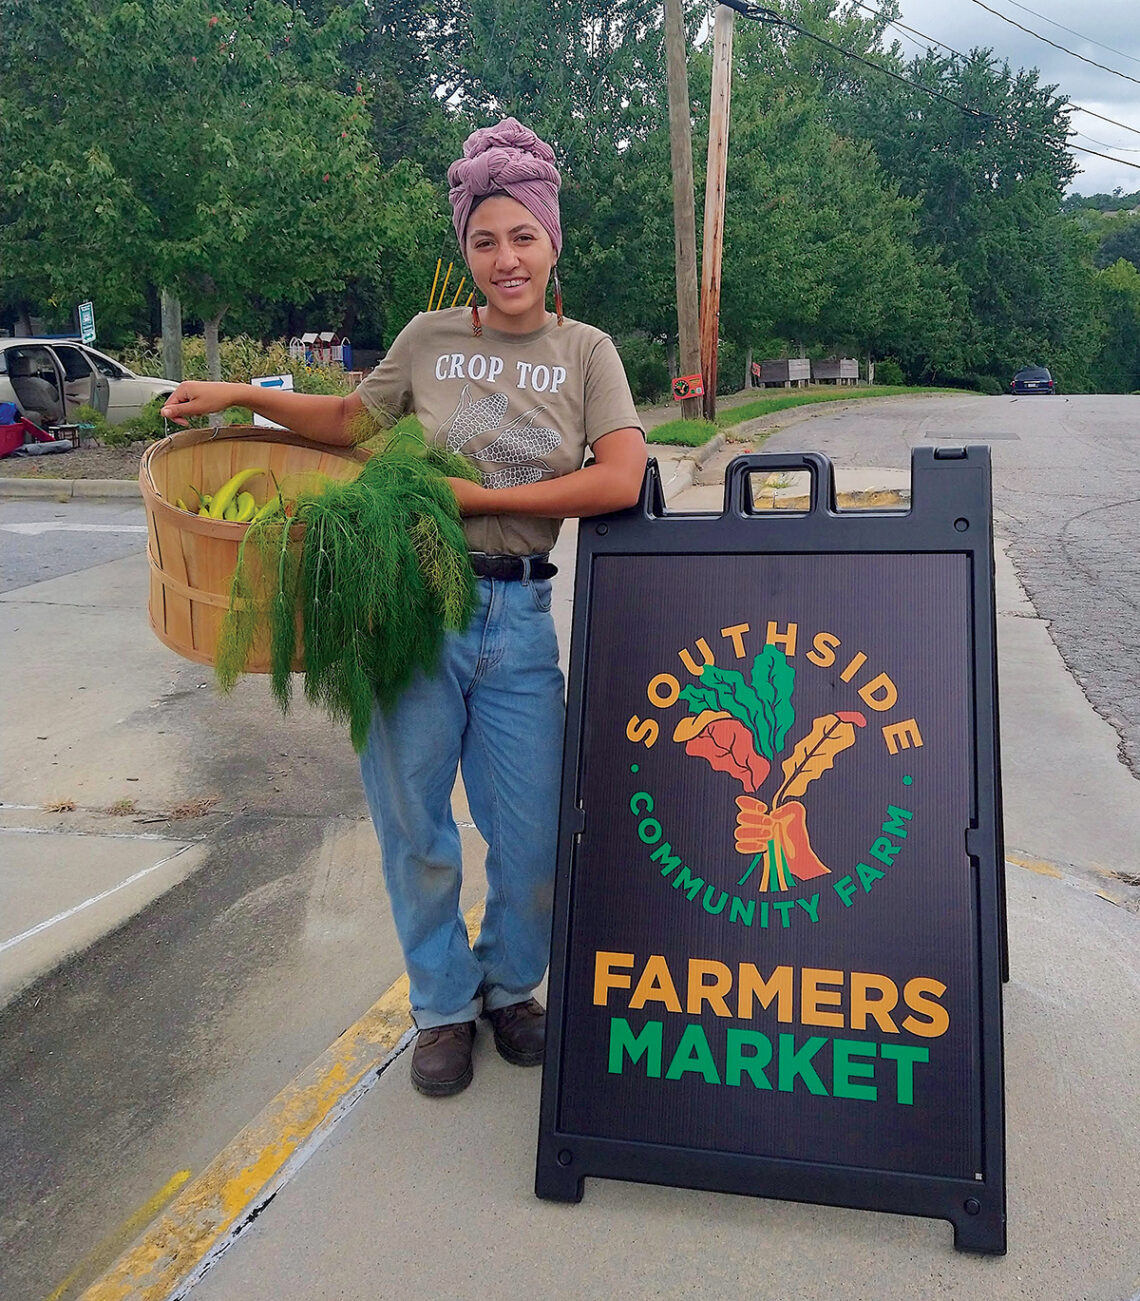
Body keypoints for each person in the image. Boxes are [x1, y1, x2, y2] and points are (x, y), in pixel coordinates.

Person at [160, 117, 647, 1097]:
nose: (505, 258)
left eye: (522, 237)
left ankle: (513, 985)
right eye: (483, 240)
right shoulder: (429, 340)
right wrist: (236, 398)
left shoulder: (587, 351)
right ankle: (442, 1004)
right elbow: (349, 421)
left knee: (532, 833)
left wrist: (484, 501)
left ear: (553, 241)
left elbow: (621, 477)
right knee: (412, 821)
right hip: (413, 605)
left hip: (517, 619)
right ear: (464, 249)